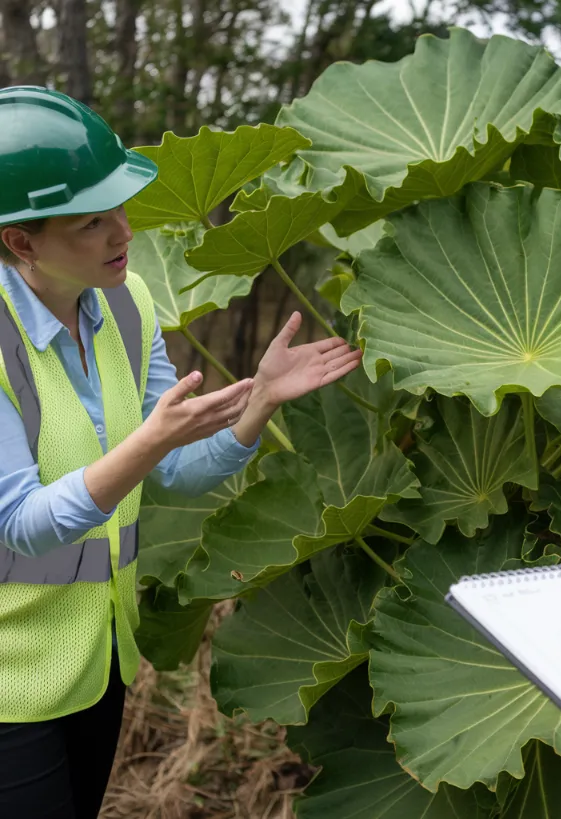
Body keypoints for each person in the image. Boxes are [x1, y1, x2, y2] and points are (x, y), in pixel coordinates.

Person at [0, 86, 362, 819]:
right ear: (21, 241)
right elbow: (22, 525)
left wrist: (255, 406)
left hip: (101, 660)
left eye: (122, 208)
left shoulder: (129, 300)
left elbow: (174, 468)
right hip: (9, 681)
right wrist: (147, 440)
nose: (123, 232)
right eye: (92, 221)